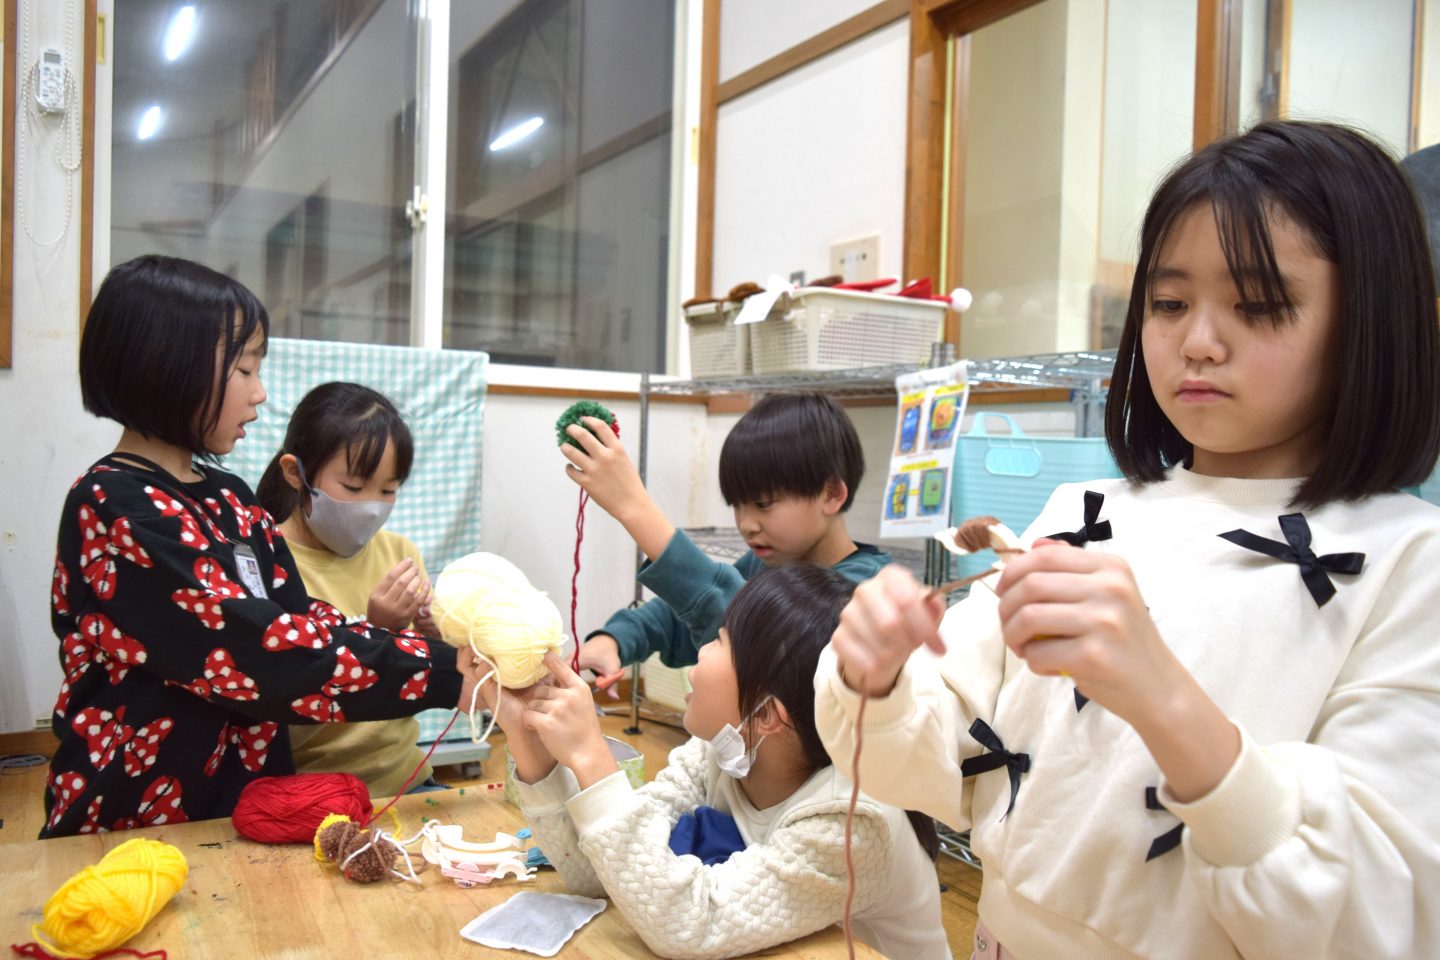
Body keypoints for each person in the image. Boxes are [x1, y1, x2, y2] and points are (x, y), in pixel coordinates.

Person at [816, 120, 1440, 959]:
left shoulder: (1411, 563)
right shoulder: (1081, 511)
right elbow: (936, 753)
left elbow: (1381, 917)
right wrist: (877, 675)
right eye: (1169, 304)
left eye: (1259, 304)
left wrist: (1161, 695)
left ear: (1370, 322)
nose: (1197, 343)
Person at [44, 255, 479, 838]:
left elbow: (300, 619)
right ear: (168, 366)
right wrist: (450, 673)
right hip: (135, 817)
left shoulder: (228, 496)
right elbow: (263, 651)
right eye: (245, 369)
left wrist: (439, 651)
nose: (260, 393)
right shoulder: (116, 507)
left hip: (239, 808)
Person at [486, 565, 950, 960]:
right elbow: (602, 875)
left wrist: (591, 756)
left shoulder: (853, 823)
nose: (702, 651)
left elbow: (691, 925)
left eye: (720, 641)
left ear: (766, 715)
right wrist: (526, 739)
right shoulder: (720, 753)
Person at [565, 393, 889, 680]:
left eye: (763, 504)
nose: (747, 525)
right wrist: (615, 639)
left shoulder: (865, 592)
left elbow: (754, 637)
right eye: (737, 505)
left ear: (831, 494)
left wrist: (636, 509)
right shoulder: (767, 564)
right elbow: (679, 618)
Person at [255, 381, 443, 797]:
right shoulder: (268, 565)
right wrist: (376, 634)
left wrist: (437, 636)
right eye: (354, 488)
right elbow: (281, 704)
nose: (372, 506)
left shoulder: (399, 554)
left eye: (389, 490)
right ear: (295, 473)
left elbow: (426, 676)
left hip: (407, 780)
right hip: (312, 796)